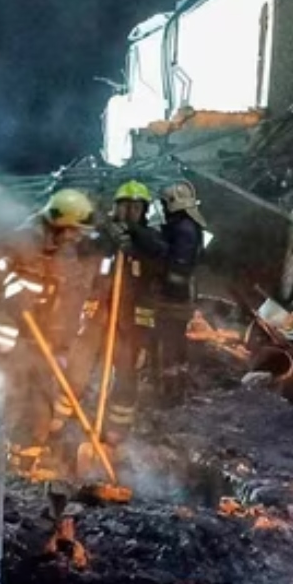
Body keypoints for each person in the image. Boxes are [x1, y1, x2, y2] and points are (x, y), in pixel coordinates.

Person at [0, 188, 97, 455]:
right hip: (9, 336)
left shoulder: (65, 252)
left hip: (43, 341)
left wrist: (62, 344)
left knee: (43, 405)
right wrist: (11, 286)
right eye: (73, 230)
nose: (77, 237)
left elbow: (67, 298)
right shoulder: (19, 242)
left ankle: (30, 456)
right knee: (13, 397)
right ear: (58, 224)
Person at [60, 180, 167, 450]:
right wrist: (109, 237)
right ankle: (60, 417)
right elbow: (84, 249)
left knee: (127, 373)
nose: (129, 212)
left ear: (144, 211)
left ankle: (116, 430)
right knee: (78, 365)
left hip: (132, 321)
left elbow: (161, 253)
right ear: (115, 208)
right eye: (124, 207)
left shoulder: (151, 239)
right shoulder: (101, 236)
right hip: (99, 314)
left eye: (135, 208)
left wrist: (133, 235)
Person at [156, 180, 207, 404]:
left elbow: (177, 268)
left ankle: (171, 393)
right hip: (183, 296)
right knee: (176, 342)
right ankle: (178, 386)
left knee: (170, 342)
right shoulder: (189, 227)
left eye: (164, 204)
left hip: (174, 298)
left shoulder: (183, 230)